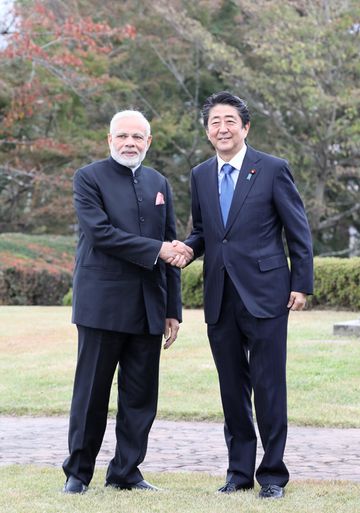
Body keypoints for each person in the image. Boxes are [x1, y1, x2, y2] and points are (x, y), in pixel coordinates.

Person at [180, 91, 313, 499]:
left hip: (267, 295)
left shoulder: (272, 169)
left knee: (269, 385)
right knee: (231, 388)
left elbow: (298, 230)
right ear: (208, 131)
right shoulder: (200, 175)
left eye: (230, 121)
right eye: (215, 122)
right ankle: (238, 473)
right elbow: (204, 231)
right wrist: (187, 248)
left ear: (245, 127)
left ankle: (272, 475)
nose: (222, 128)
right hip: (220, 296)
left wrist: (301, 283)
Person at [62, 109, 192, 494]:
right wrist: (160, 250)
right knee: (91, 395)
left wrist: (172, 309)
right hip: (101, 306)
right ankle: (78, 473)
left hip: (149, 307)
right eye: (123, 136)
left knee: (140, 397)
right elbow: (101, 234)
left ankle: (126, 472)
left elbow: (170, 243)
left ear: (148, 142)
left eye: (138, 137)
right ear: (109, 139)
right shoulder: (88, 178)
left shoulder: (159, 182)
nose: (130, 143)